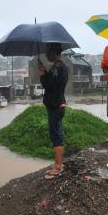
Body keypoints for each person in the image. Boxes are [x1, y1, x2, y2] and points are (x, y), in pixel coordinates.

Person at [38, 43, 68, 180]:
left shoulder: (57, 68)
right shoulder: (59, 67)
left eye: (48, 52)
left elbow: (49, 86)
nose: (46, 55)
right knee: (57, 134)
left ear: (54, 53)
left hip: (56, 106)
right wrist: (44, 72)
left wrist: (43, 73)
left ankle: (58, 167)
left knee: (56, 136)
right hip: (57, 105)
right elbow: (50, 84)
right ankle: (58, 164)